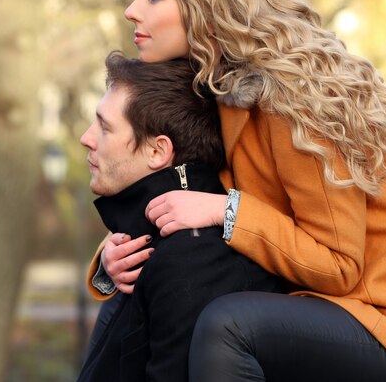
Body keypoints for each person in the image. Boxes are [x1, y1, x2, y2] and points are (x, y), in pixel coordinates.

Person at [87, 0, 386, 381]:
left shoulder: (296, 100)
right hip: (300, 300)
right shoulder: (213, 87)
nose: (132, 11)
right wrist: (113, 260)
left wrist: (225, 210)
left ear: (207, 10)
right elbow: (179, 195)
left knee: (228, 327)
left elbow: (339, 267)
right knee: (135, 288)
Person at [77, 52, 284, 382]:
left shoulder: (191, 261)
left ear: (158, 151)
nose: (86, 138)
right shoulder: (148, 241)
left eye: (104, 127)